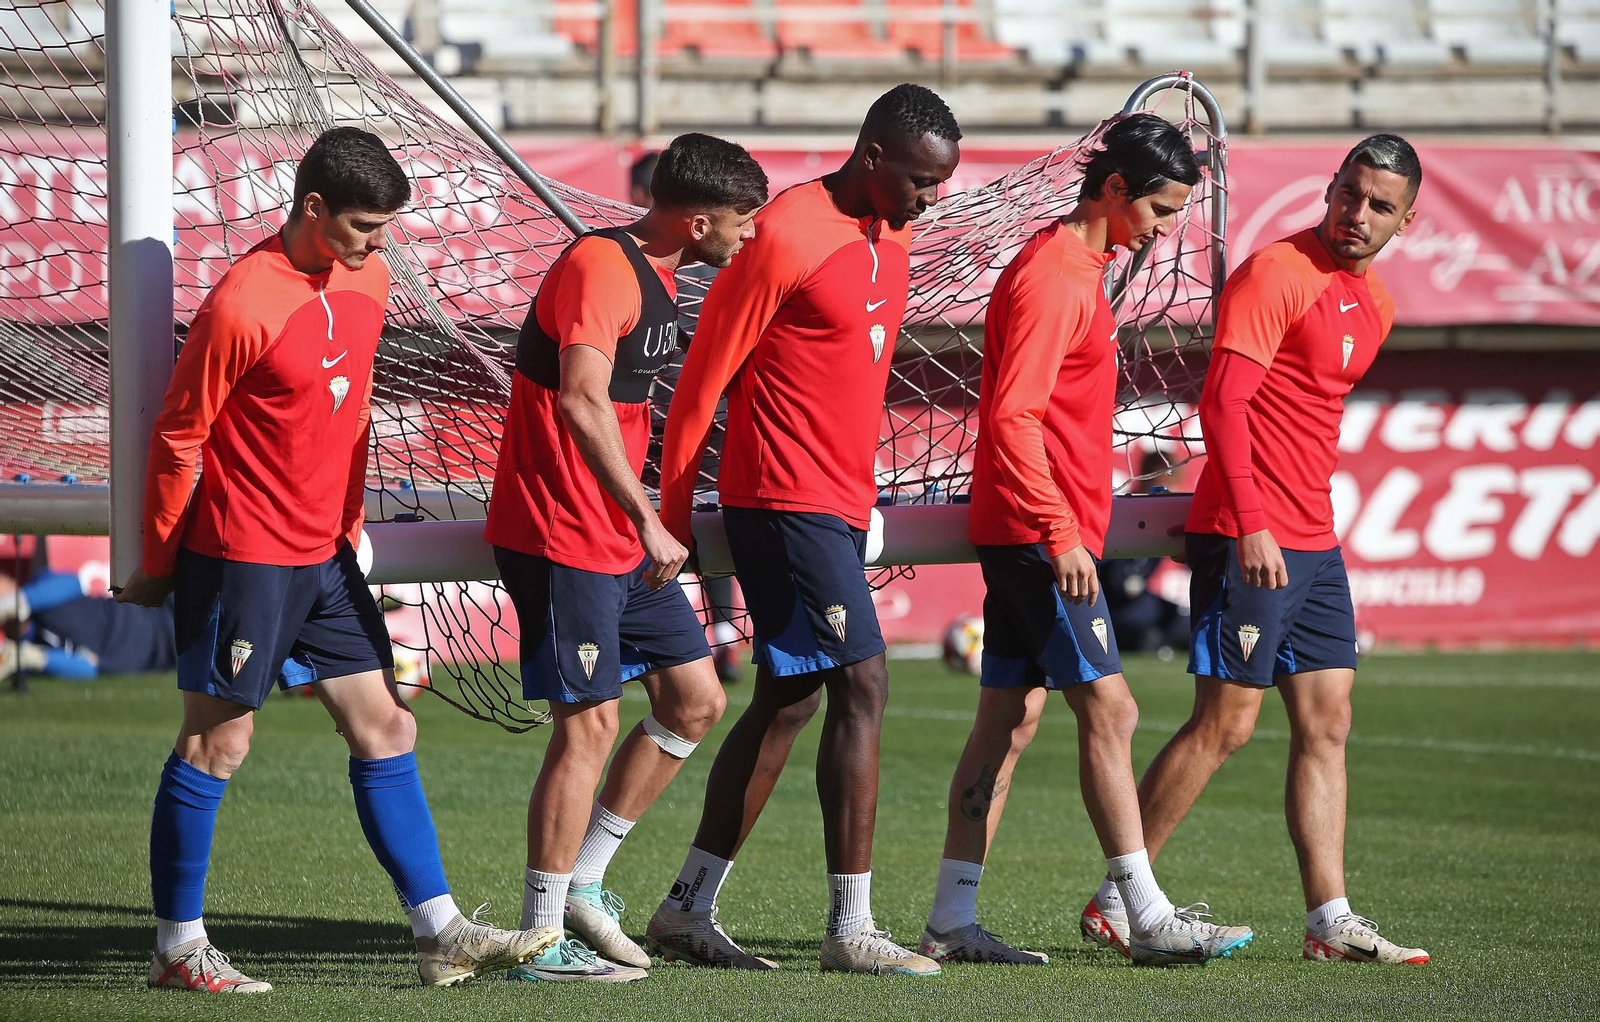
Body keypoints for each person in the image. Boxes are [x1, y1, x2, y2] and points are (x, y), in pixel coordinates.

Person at [116, 127, 553, 993]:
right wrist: (162, 559)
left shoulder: (373, 277)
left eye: (385, 229)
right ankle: (177, 948)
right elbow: (178, 437)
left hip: (322, 555)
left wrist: (349, 518)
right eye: (361, 227)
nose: (376, 245)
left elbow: (348, 416)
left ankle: (440, 933)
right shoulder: (244, 301)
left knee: (389, 725)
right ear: (312, 209)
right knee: (217, 744)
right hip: (243, 554)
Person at [1080, 134, 1430, 966]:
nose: (1358, 214)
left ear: (1405, 222)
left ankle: (1329, 921)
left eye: (1380, 205)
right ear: (1331, 190)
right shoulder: (1277, 272)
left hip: (1315, 535)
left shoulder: (1374, 304)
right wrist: (1251, 522)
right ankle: (1119, 900)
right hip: (1251, 532)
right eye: (1350, 193)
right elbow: (1225, 407)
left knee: (1328, 722)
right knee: (1225, 725)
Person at [918, 115, 1251, 968]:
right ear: (1113, 192)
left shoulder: (1076, 267)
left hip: (1041, 527)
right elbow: (1013, 416)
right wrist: (1061, 530)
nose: (1167, 228)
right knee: (1113, 708)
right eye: (1162, 210)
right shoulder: (1054, 276)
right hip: (1040, 534)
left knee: (1009, 720)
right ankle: (1145, 914)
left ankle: (952, 919)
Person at [646, 84, 962, 975]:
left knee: (792, 700)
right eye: (918, 182)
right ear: (871, 157)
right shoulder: (785, 231)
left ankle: (685, 909)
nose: (929, 200)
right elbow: (701, 383)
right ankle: (850, 929)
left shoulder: (893, 235)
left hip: (834, 504)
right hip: (780, 498)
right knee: (864, 682)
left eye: (939, 185)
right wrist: (671, 518)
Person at [485, 132, 768, 983]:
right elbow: (577, 398)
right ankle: (540, 938)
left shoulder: (660, 273)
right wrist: (647, 516)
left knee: (694, 699)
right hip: (562, 531)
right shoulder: (601, 267)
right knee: (590, 727)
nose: (748, 237)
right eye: (742, 222)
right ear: (699, 218)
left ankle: (585, 884)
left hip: (613, 533)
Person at [633, 149, 748, 684]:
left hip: (700, 418)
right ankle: (697, 635)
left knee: (695, 518)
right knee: (663, 521)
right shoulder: (623, 263)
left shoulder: (712, 268)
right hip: (649, 417)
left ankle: (721, 636)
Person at [0, 569, 175, 680]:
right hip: (164, 651)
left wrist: (22, 601)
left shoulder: (42, 590)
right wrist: (28, 657)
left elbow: (73, 583)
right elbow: (88, 668)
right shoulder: (23, 652)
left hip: (162, 609)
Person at [1099, 451, 1189, 657]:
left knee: (1193, 627)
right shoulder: (1122, 512)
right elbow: (1116, 583)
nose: (1168, 493)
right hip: (1115, 609)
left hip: (1145, 604)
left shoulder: (1166, 516)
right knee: (1146, 637)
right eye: (1162, 486)